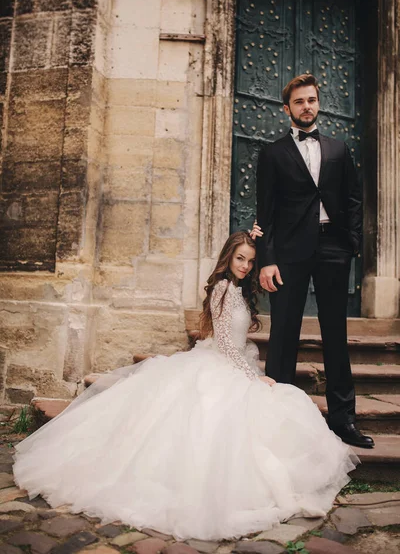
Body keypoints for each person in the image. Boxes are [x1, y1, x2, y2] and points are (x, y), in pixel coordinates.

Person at [13, 232, 358, 541]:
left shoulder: (239, 289)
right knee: (247, 413)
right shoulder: (223, 288)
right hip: (223, 367)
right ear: (227, 257)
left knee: (276, 409)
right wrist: (255, 377)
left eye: (251, 261)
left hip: (234, 364)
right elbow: (225, 345)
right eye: (239, 258)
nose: (245, 266)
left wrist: (261, 235)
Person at [255, 73, 374, 449]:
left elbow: (354, 198)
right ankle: (277, 421)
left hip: (333, 250)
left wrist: (351, 242)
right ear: (286, 108)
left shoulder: (338, 149)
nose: (306, 106)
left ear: (318, 103)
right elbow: (266, 211)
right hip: (288, 253)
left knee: (335, 336)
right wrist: (267, 259)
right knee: (284, 334)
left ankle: (344, 420)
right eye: (299, 102)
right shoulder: (272, 153)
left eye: (311, 100)